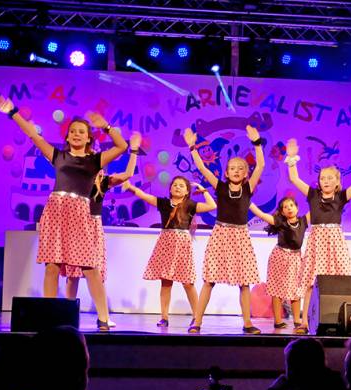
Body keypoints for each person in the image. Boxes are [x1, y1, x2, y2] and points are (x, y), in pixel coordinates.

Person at [0, 96, 128, 331]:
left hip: (80, 213)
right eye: (73, 131)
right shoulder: (58, 156)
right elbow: (33, 135)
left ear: (88, 138)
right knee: (52, 266)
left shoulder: (95, 160)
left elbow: (122, 146)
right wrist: (13, 112)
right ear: (67, 137)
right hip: (56, 210)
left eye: (82, 132)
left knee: (90, 266)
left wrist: (106, 126)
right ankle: (50, 316)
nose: (77, 134)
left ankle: (103, 318)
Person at [284, 136, 351, 333]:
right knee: (311, 281)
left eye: (330, 178)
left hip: (335, 242)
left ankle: (342, 319)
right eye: (322, 178)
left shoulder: (341, 197)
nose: (325, 181)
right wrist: (291, 159)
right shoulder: (313, 195)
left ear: (337, 182)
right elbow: (294, 179)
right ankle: (305, 322)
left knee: (340, 280)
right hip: (317, 241)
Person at [187, 125, 266, 334]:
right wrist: (192, 148)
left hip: (240, 236)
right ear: (226, 172)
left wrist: (257, 143)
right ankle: (197, 321)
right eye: (232, 168)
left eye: (240, 168)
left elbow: (260, 166)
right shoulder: (220, 187)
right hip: (221, 235)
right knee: (209, 281)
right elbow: (203, 168)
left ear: (246, 173)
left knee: (244, 283)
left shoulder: (248, 188)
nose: (236, 171)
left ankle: (247, 323)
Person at [62, 133, 141, 328]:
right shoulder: (78, 180)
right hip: (76, 225)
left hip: (93, 227)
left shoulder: (104, 182)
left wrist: (133, 151)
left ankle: (102, 316)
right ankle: (67, 316)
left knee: (94, 272)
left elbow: (128, 174)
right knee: (73, 274)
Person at [123, 176, 216, 327]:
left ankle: (196, 316)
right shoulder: (163, 203)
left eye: (181, 185)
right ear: (170, 189)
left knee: (188, 283)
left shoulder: (190, 205)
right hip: (166, 245)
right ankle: (164, 317)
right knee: (166, 282)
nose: (177, 187)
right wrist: (131, 187)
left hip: (183, 246)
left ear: (187, 192)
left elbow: (212, 206)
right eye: (175, 185)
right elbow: (144, 196)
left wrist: (203, 190)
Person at [249, 199, 309, 332]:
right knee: (277, 290)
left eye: (291, 205)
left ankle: (297, 320)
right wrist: (248, 202)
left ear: (297, 208)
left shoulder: (303, 221)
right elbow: (261, 215)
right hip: (280, 257)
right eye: (285, 207)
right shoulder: (280, 222)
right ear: (282, 212)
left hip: (296, 258)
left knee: (296, 289)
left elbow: (317, 208)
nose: (289, 208)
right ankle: (278, 321)